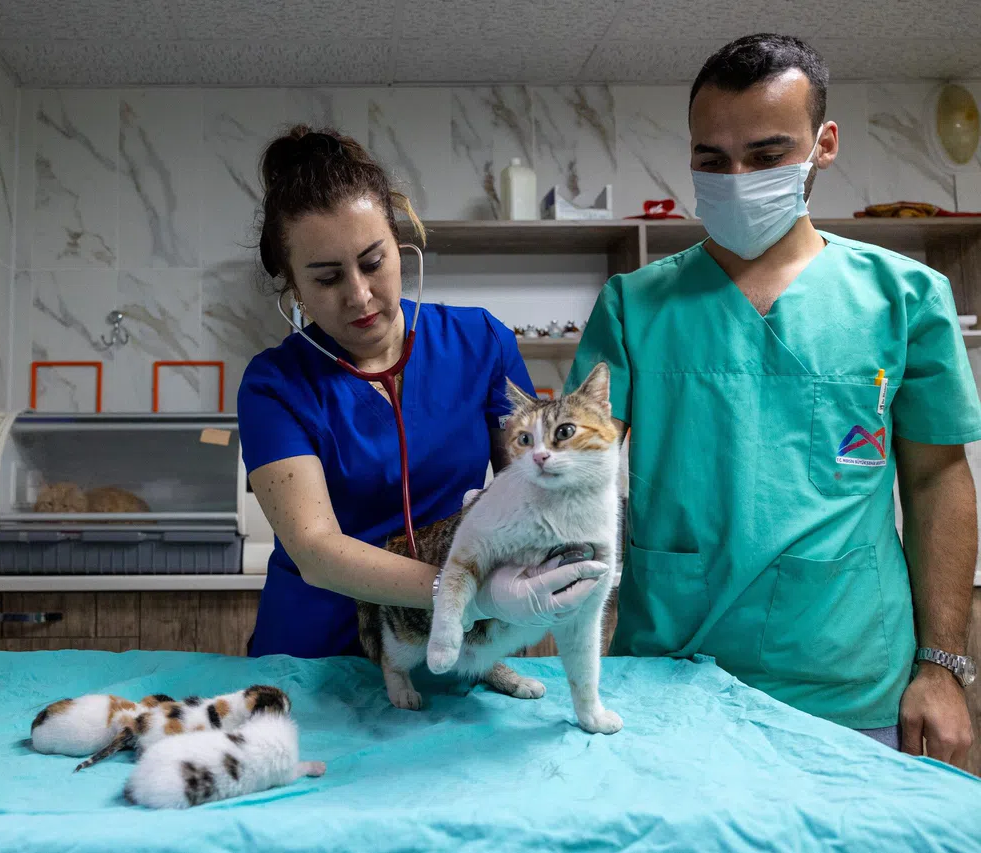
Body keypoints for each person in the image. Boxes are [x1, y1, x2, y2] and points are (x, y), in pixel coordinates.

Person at [566, 34, 980, 766]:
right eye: (711, 160)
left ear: (824, 144)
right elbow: (571, 478)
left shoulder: (904, 298)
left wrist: (941, 667)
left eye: (764, 156)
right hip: (669, 680)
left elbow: (937, 480)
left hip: (849, 687)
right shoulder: (635, 305)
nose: (736, 179)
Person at [238, 126, 609, 659]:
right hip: (317, 655)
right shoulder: (274, 386)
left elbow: (534, 486)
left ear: (401, 241)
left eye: (372, 262)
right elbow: (316, 551)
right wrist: (464, 595)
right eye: (325, 279)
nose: (359, 295)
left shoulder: (481, 343)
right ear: (294, 287)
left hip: (453, 647)